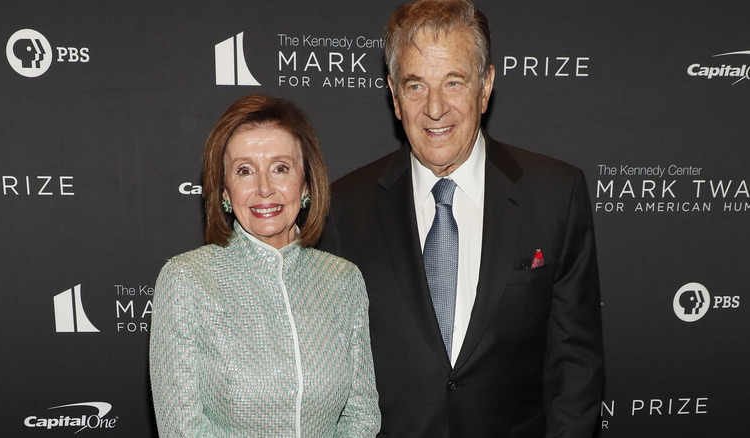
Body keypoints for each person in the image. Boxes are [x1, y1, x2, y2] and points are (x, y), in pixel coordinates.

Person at [321, 1, 604, 436]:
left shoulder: (555, 194)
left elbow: (575, 366)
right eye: (415, 86)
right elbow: (331, 377)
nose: (435, 108)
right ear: (395, 96)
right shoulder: (344, 207)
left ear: (485, 86)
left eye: (453, 82)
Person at [150, 94, 381, 437]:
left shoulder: (342, 280)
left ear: (305, 184)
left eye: (280, 168)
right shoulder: (187, 280)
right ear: (225, 191)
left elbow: (362, 417)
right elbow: (182, 430)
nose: (264, 188)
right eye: (244, 170)